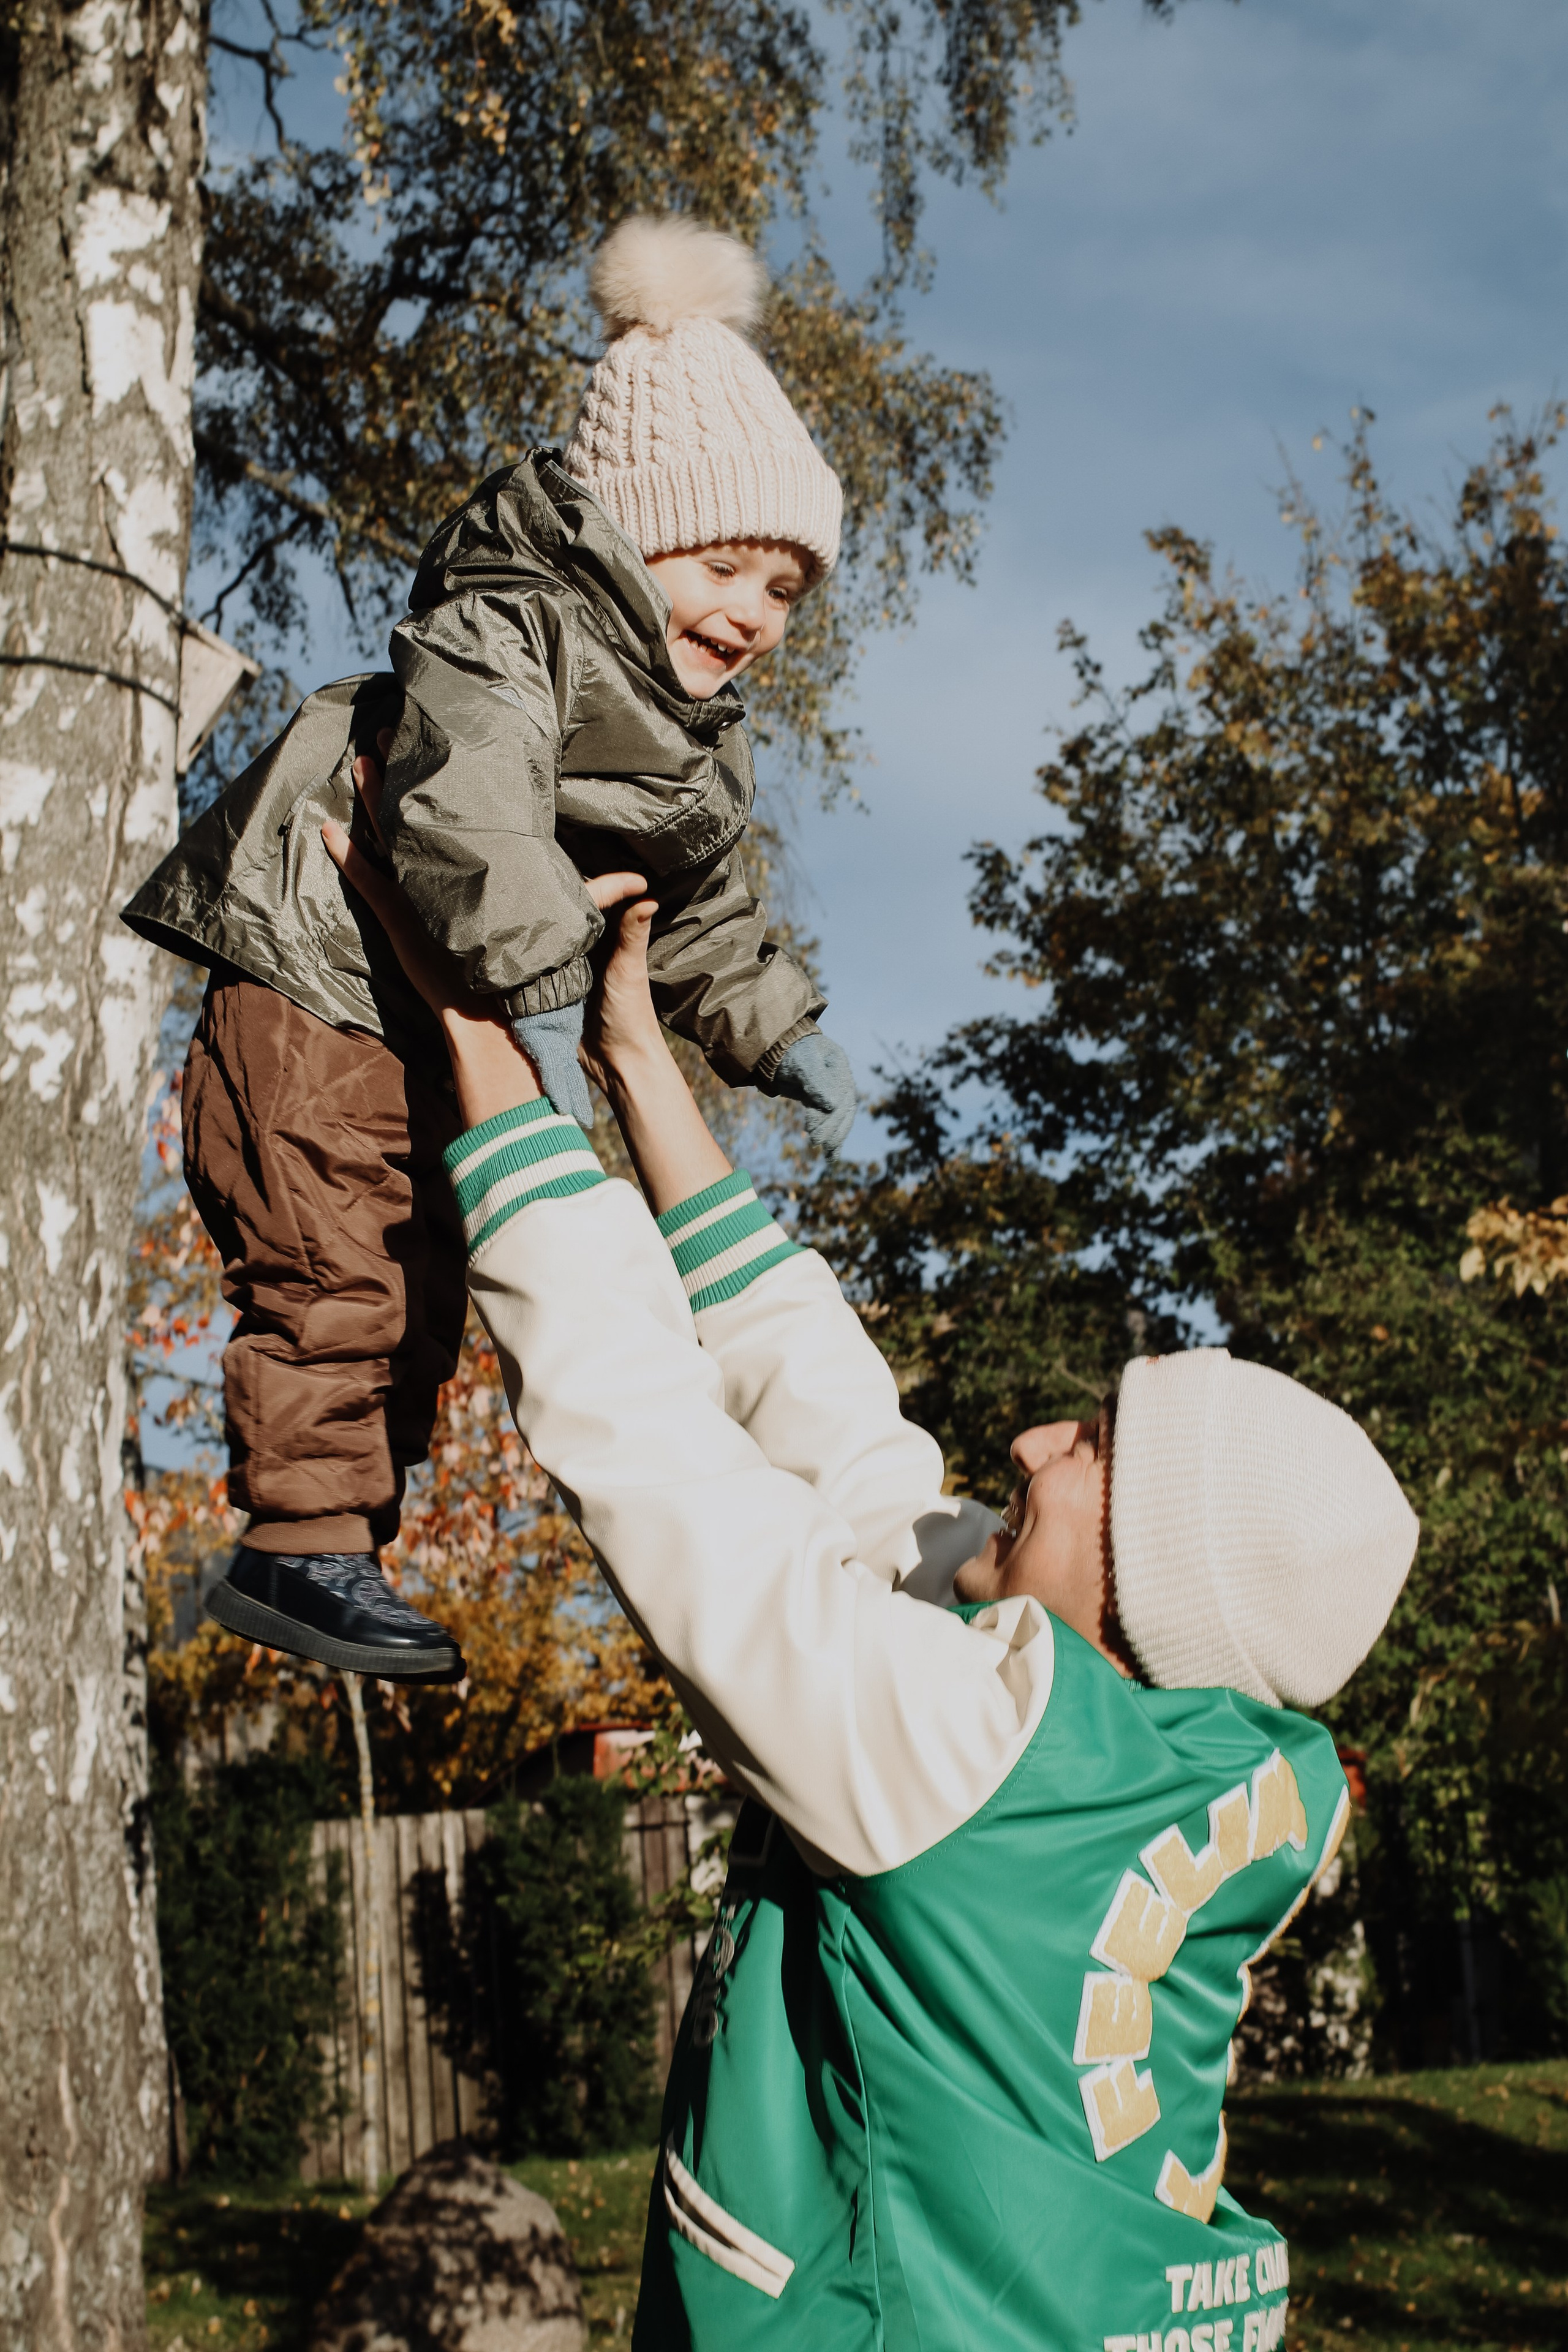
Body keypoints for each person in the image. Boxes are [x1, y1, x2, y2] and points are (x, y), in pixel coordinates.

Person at [322, 784, 1419, 2351]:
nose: (1036, 1443)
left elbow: (652, 1453)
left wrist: (469, 1033)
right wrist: (635, 1061)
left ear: (1152, 1578)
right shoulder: (1205, 1748)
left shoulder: (963, 1758)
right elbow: (854, 1460)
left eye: (1094, 1449)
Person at [122, 214, 853, 1683]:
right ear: (631, 537)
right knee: (333, 1264)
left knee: (427, 1287)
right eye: (725, 567)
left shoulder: (684, 747)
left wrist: (767, 1021)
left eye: (785, 591)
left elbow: (698, 903)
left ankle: (338, 1550)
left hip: (432, 1026)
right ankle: (298, 1539)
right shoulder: (507, 629)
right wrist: (535, 970)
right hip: (317, 987)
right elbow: (466, 800)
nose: (755, 616)